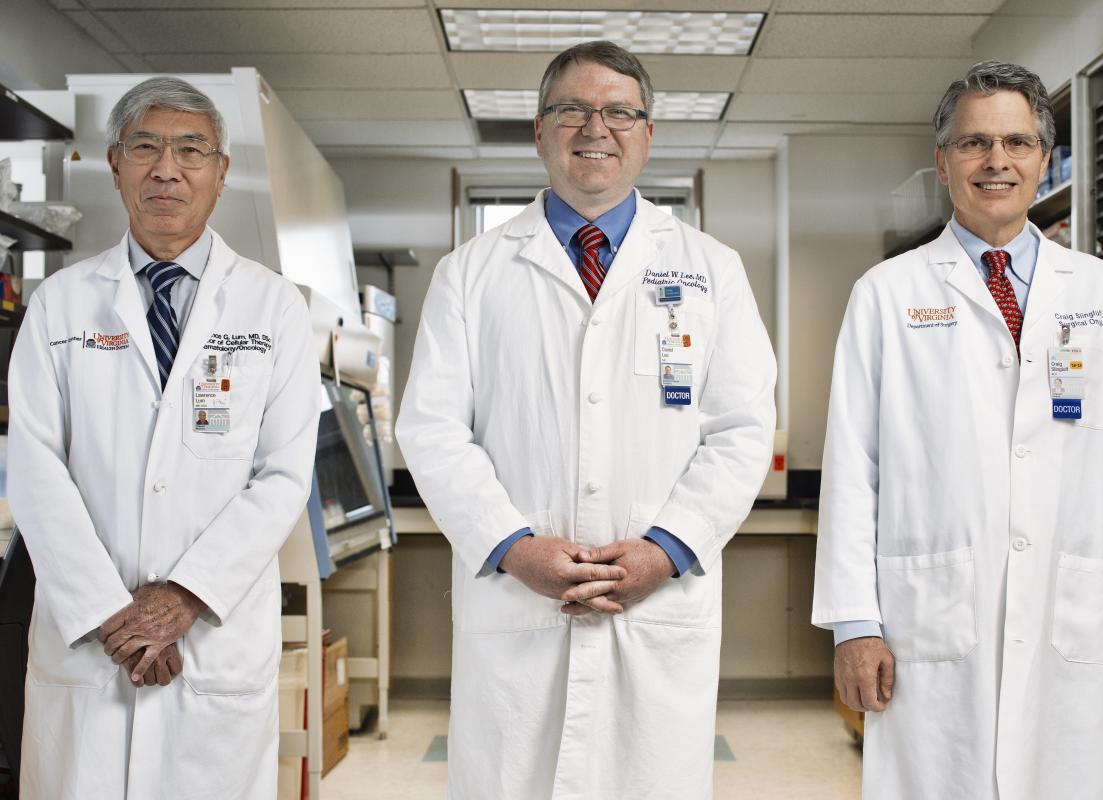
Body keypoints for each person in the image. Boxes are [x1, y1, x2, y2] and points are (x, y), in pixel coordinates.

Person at [395, 40, 776, 799]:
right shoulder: (470, 273)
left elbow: (742, 429)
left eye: (618, 112)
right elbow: (432, 429)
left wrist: (666, 551)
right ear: (539, 131)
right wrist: (513, 547)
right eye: (572, 110)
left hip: (659, 604)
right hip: (517, 600)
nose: (594, 128)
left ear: (647, 133)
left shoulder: (711, 269)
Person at [812, 61, 1103, 799]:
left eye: (1016, 141)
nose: (996, 161)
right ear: (943, 159)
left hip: (1066, 617)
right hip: (931, 623)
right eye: (974, 143)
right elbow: (854, 466)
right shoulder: (888, 294)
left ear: (1044, 158)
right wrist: (855, 622)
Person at [8, 76, 320, 799]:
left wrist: (183, 597)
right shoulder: (61, 304)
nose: (167, 169)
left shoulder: (272, 308)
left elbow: (281, 477)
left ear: (221, 172)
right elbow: (33, 466)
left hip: (210, 637)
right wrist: (110, 614)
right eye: (145, 147)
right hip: (92, 643)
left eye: (190, 150)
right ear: (115, 165)